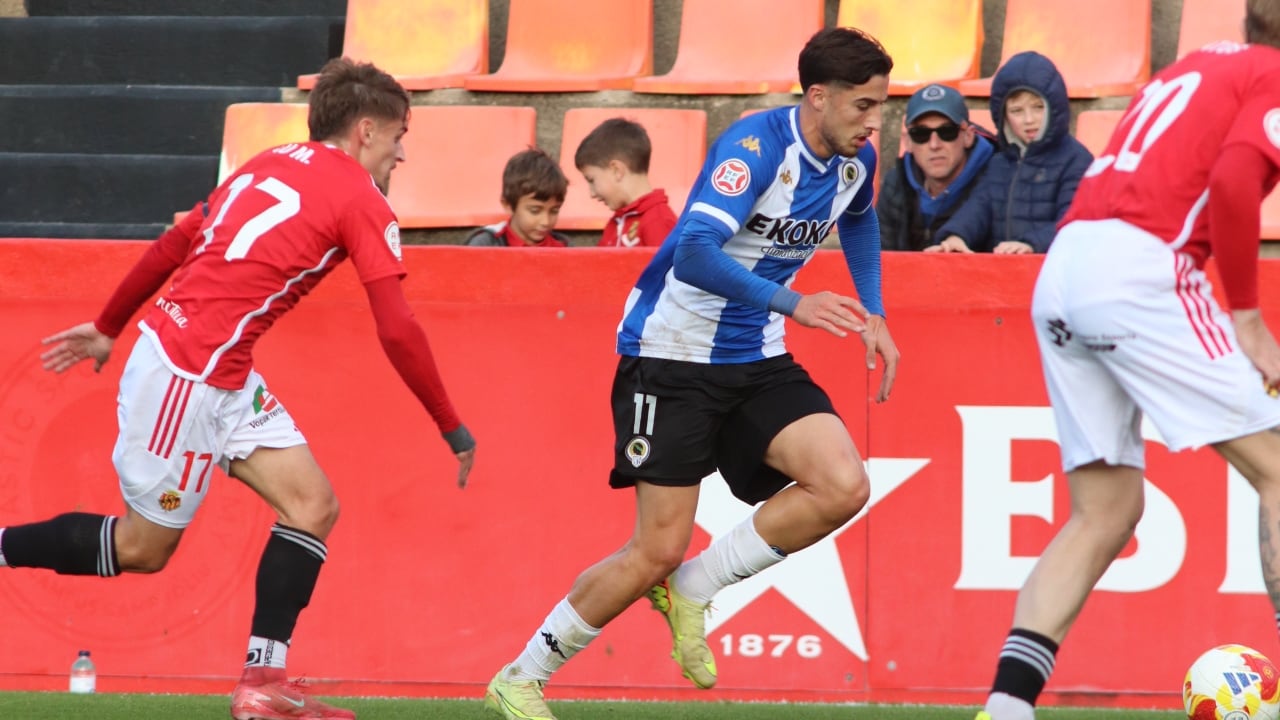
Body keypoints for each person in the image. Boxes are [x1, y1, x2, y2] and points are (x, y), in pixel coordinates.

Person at [7, 57, 477, 720]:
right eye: (399, 136)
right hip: (186, 379)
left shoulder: (270, 160)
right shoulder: (360, 198)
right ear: (367, 130)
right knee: (144, 549)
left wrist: (111, 325)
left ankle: (263, 681)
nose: (401, 154)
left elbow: (177, 241)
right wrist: (450, 423)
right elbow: (397, 328)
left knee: (312, 505)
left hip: (217, 372)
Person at [483, 26, 900, 720]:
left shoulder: (857, 160)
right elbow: (695, 254)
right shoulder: (755, 150)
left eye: (880, 105)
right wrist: (795, 303)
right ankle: (521, 676)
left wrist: (875, 311)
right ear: (819, 97)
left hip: (755, 354)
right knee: (655, 549)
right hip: (672, 355)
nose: (874, 121)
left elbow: (859, 220)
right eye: (864, 105)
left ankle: (695, 587)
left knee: (843, 484)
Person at [976, 3, 1280, 718]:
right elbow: (1235, 178)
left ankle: (1007, 708)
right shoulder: (1274, 77)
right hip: (1142, 267)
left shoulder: (1193, 68)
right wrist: (1246, 315)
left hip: (1067, 264)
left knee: (1105, 511)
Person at [932, 51, 1092, 254]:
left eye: (1038, 107)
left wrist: (1031, 245)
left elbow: (1074, 222)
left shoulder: (1076, 160)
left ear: (1055, 106)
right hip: (1006, 267)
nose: (1029, 120)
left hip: (1053, 267)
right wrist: (956, 235)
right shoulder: (999, 163)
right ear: (1003, 116)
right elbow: (977, 209)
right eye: (1017, 111)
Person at [877, 83, 995, 251]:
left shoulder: (996, 180)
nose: (934, 145)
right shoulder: (896, 183)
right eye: (921, 134)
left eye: (947, 132)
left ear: (968, 136)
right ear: (907, 142)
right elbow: (879, 255)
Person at [573, 117, 678, 247]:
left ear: (617, 170)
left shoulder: (659, 221)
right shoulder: (616, 221)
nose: (592, 194)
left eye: (591, 180)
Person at [465, 148, 572, 248]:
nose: (546, 222)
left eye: (554, 211)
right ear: (508, 205)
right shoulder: (485, 244)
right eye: (535, 211)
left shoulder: (564, 246)